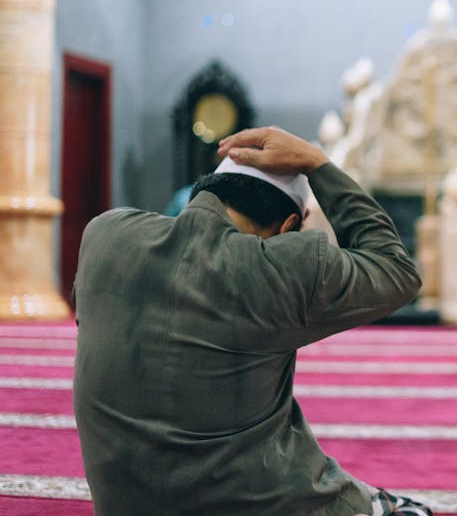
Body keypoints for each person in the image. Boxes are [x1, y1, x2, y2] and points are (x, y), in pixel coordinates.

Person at [72, 126, 429, 516]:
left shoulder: (105, 234)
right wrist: (316, 163)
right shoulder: (285, 267)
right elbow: (398, 271)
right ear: (290, 224)